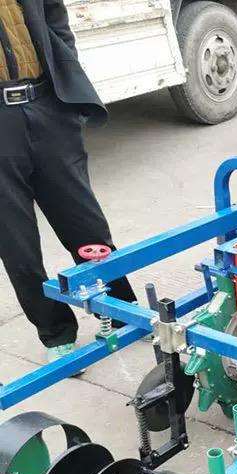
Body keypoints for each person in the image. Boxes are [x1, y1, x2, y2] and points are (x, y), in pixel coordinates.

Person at [0, 0, 135, 363]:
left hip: (47, 104)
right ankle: (56, 331)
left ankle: (120, 308)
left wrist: (64, 86)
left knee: (84, 222)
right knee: (17, 245)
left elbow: (55, 19)